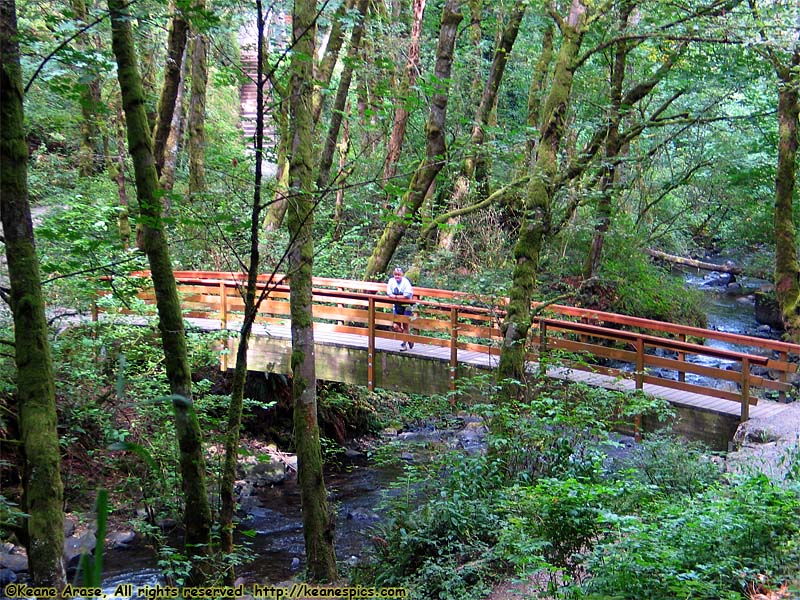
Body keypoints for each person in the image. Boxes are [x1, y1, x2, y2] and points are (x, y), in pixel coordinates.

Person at [387, 267, 414, 350]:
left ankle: (404, 345)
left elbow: (407, 295)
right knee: (395, 326)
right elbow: (389, 293)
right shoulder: (391, 281)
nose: (397, 276)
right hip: (397, 305)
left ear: (402, 274)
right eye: (395, 274)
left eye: (398, 275)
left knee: (405, 325)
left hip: (407, 306)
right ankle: (409, 338)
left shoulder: (405, 282)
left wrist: (395, 296)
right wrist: (397, 297)